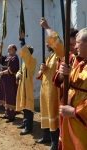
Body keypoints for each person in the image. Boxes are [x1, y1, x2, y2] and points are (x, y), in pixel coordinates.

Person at [55, 28, 87, 150]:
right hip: (70, 118)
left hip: (81, 120)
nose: (75, 47)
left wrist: (74, 111)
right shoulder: (79, 63)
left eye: (78, 43)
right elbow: (64, 85)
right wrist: (63, 74)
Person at [35, 18, 64, 150]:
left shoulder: (59, 55)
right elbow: (42, 75)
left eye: (48, 43)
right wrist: (42, 69)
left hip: (53, 91)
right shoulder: (49, 58)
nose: (47, 44)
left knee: (53, 114)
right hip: (45, 91)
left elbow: (56, 42)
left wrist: (46, 26)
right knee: (45, 113)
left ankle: (54, 141)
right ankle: (46, 135)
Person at [16, 31, 37, 135]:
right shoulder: (24, 63)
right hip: (22, 85)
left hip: (27, 86)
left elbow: (25, 53)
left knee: (28, 107)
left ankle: (29, 127)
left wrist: (22, 40)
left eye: (25, 52)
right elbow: (20, 71)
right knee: (24, 106)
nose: (23, 54)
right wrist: (18, 74)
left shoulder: (32, 60)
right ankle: (25, 123)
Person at [0, 43, 19, 123]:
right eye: (8, 48)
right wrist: (0, 48)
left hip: (10, 79)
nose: (8, 50)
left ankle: (11, 115)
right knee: (4, 95)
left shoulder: (15, 58)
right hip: (4, 79)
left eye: (9, 48)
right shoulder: (7, 57)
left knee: (9, 96)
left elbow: (12, 69)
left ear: (14, 49)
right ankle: (6, 113)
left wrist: (2, 73)